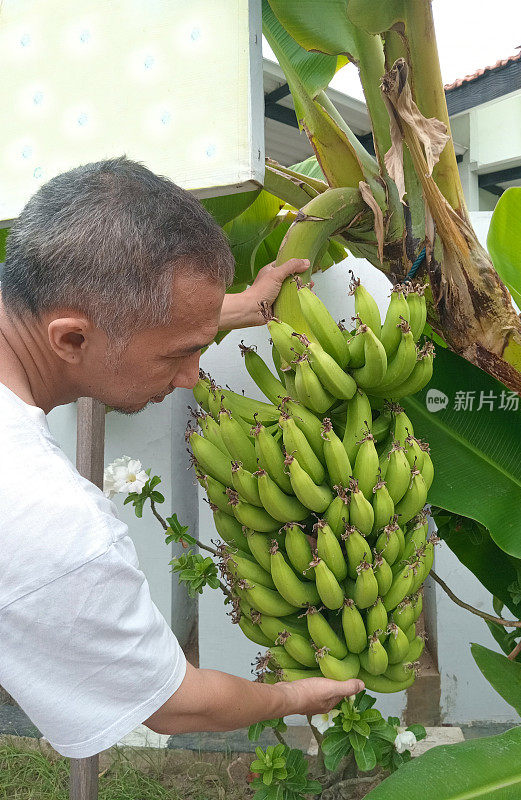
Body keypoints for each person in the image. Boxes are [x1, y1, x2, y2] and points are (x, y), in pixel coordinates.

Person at [0, 156, 363, 759]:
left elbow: (128, 322)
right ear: (71, 339)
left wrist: (245, 304)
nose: (193, 376)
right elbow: (174, 702)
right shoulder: (45, 519)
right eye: (177, 355)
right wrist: (294, 697)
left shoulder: (52, 313)